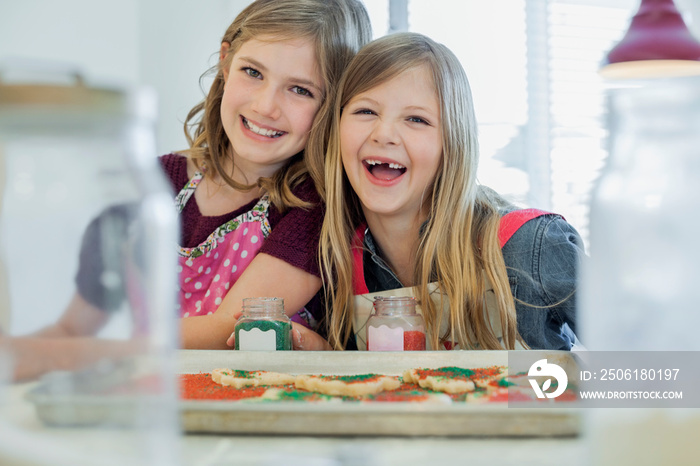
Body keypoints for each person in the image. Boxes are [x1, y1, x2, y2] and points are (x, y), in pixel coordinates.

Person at [3, 0, 371, 379]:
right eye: (252, 72)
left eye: (300, 90)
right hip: (149, 404)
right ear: (226, 62)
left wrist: (68, 356)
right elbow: (71, 330)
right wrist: (22, 355)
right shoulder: (149, 182)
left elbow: (232, 325)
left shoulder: (316, 205)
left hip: (254, 412)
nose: (266, 106)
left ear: (333, 104)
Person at [319, 32, 586, 352]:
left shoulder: (532, 246)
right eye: (366, 111)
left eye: (416, 119)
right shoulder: (337, 263)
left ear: (453, 143)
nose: (384, 134)